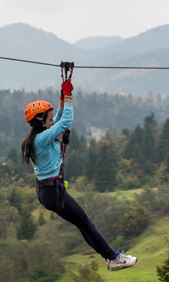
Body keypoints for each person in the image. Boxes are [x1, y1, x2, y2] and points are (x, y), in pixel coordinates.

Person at [21, 78, 137, 271]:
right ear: (41, 122)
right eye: (48, 119)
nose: (52, 121)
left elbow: (57, 121)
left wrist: (61, 102)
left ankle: (110, 257)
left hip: (48, 193)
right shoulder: (42, 139)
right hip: (53, 192)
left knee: (83, 224)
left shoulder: (33, 140)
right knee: (86, 223)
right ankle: (113, 258)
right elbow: (65, 121)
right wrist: (67, 97)